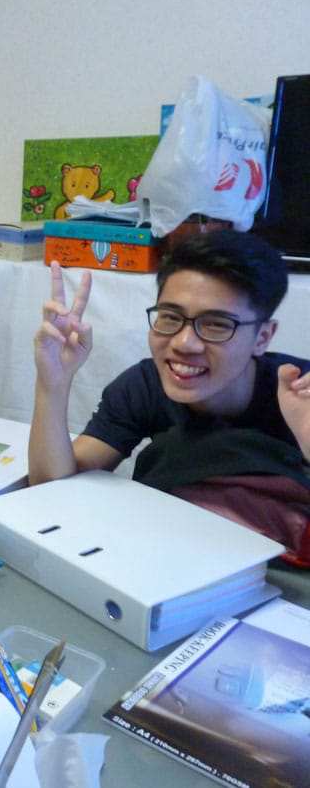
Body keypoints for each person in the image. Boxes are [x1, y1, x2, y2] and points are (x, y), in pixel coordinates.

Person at [29, 230, 310, 564]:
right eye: (170, 317)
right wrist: (53, 382)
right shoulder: (144, 385)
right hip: (172, 559)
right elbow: (52, 488)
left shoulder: (301, 395)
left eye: (217, 325)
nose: (184, 343)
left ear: (262, 337)